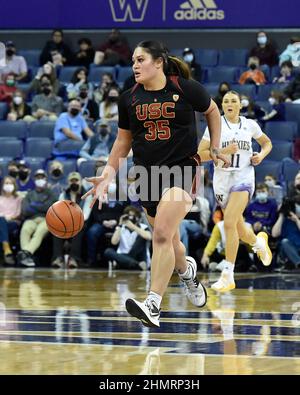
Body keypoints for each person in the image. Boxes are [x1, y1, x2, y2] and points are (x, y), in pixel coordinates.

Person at [82, 40, 229, 328]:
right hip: (147, 176)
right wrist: (108, 172)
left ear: (158, 62)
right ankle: (187, 273)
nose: (135, 65)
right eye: (133, 61)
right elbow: (122, 142)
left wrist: (214, 146)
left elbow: (212, 111)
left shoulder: (185, 87)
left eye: (140, 60)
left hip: (183, 169)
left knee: (161, 233)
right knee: (171, 242)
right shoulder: (129, 99)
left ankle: (153, 304)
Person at [198, 90, 273, 292]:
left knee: (229, 222)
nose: (229, 103)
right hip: (222, 181)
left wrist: (261, 156)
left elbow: (267, 143)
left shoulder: (249, 125)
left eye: (233, 101)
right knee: (239, 231)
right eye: (226, 101)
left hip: (243, 178)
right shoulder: (215, 126)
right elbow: (199, 155)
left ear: (240, 105)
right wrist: (222, 152)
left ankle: (227, 275)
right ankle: (258, 242)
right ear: (222, 106)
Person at [17, 169, 56, 267]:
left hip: (46, 219)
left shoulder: (51, 193)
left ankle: (25, 253)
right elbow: (25, 210)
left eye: (42, 177)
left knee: (40, 231)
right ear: (34, 179)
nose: (40, 179)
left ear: (46, 179)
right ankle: (26, 258)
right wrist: (41, 206)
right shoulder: (30, 194)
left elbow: (50, 208)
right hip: (31, 219)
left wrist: (34, 205)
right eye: (38, 177)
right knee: (25, 229)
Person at [104, 205, 151, 270]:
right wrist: (120, 224)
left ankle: (128, 263)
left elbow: (149, 237)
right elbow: (114, 242)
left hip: (138, 257)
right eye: (129, 216)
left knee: (142, 237)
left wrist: (133, 227)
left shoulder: (143, 227)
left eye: (133, 216)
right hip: (124, 257)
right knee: (108, 251)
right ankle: (136, 265)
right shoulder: (121, 227)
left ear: (138, 217)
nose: (131, 218)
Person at [0, 176, 22, 265]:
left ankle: (6, 247)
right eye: (6, 183)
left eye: (10, 183)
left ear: (14, 185)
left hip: (13, 222)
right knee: (1, 220)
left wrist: (10, 218)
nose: (8, 185)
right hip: (1, 221)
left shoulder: (18, 198)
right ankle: (7, 250)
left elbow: (18, 213)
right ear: (2, 185)